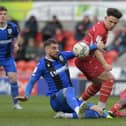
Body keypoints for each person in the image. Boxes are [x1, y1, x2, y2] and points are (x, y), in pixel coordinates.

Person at [15, 39, 104, 117]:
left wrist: (96, 46)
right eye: (54, 48)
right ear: (47, 50)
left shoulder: (62, 56)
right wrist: (26, 95)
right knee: (68, 89)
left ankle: (66, 115)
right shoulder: (42, 65)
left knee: (98, 113)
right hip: (57, 100)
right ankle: (77, 110)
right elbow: (31, 81)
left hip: (70, 100)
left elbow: (79, 51)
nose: (57, 50)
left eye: (57, 48)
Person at [75, 8, 122, 109]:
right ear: (105, 18)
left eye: (115, 23)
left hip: (84, 59)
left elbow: (97, 47)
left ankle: (78, 103)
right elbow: (96, 49)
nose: (112, 24)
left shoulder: (101, 27)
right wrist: (104, 64)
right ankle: (100, 109)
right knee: (109, 79)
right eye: (110, 21)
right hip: (86, 59)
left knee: (97, 84)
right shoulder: (101, 30)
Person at [0, 6, 22, 109]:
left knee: (13, 78)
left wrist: (17, 44)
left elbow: (17, 36)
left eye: (4, 14)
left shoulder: (12, 27)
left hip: (8, 57)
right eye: (0, 14)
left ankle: (16, 103)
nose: (2, 16)